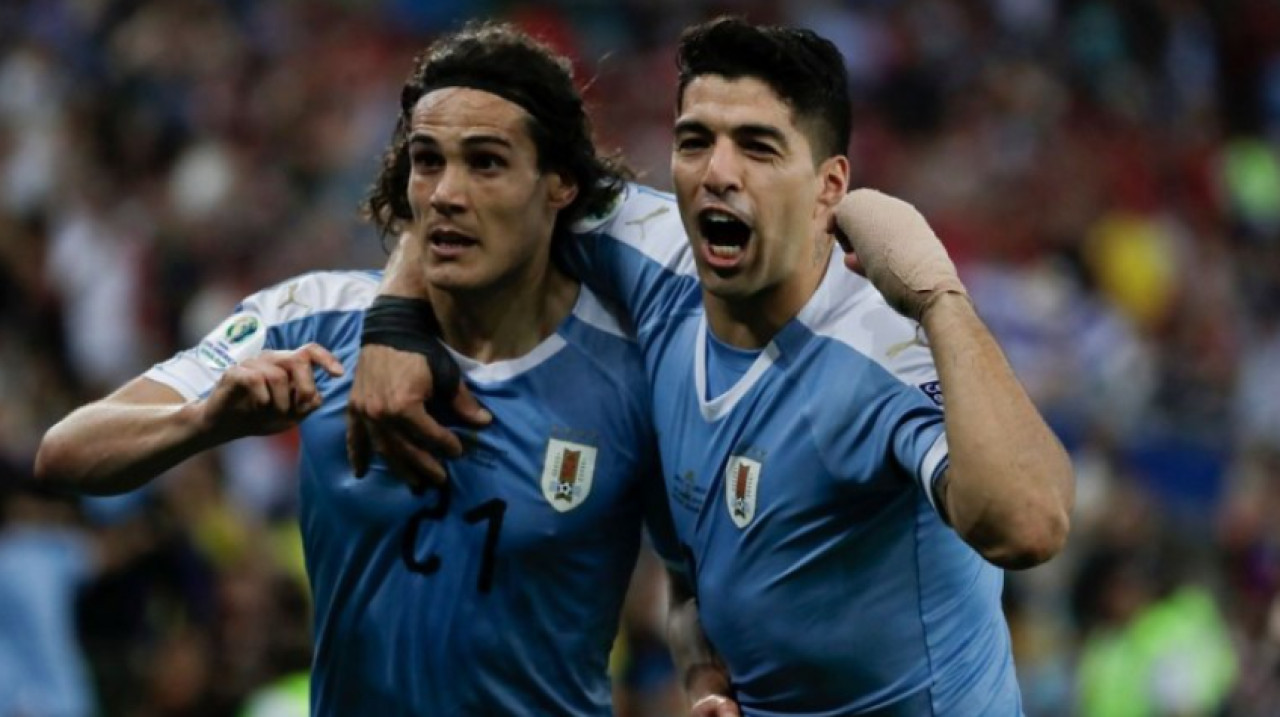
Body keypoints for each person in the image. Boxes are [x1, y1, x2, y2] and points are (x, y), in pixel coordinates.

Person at [349, 17, 1075, 716]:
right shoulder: (655, 255)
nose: (717, 172)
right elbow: (480, 186)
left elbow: (1029, 524)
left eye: (758, 147)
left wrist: (942, 299)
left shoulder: (876, 351)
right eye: (696, 141)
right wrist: (393, 319)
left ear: (830, 187)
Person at [34, 23, 677, 715]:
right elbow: (67, 453)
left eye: (486, 162)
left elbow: (696, 579)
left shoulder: (633, 370)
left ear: (559, 185)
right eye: (428, 162)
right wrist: (203, 419)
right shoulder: (310, 316)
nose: (446, 194)